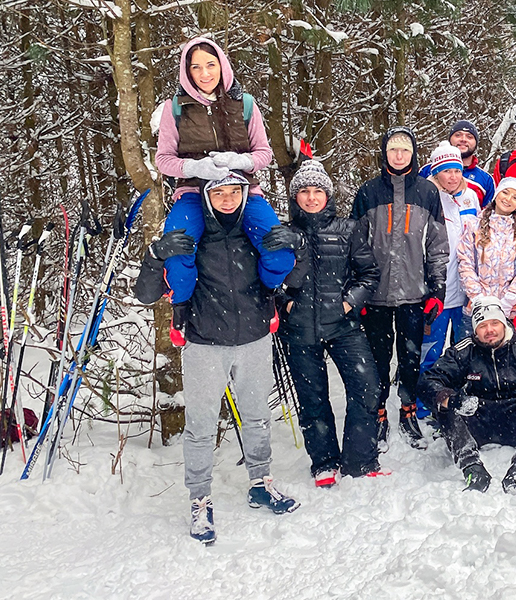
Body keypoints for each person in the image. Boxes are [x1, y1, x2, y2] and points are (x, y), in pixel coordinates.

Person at [135, 173, 302, 544]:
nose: (228, 200)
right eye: (219, 193)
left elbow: (294, 275)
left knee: (257, 417)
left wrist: (298, 243)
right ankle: (200, 500)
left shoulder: (255, 232)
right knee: (201, 426)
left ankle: (261, 483)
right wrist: (155, 254)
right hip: (206, 342)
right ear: (206, 196)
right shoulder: (191, 238)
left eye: (234, 192)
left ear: (245, 194)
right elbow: (146, 294)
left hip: (255, 339)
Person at [153, 37, 292, 320]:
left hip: (243, 191)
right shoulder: (175, 108)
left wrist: (241, 161)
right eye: (196, 67)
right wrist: (195, 168)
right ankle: (181, 309)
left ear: (222, 65)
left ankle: (269, 296)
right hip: (193, 193)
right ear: (187, 71)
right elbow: (163, 160)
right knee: (178, 252)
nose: (205, 74)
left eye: (210, 65)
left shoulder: (246, 104)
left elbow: (264, 153)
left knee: (279, 247)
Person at [276, 160, 387, 487]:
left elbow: (370, 274)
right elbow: (267, 281)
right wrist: (285, 303)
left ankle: (360, 459)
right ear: (295, 197)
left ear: (328, 195)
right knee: (312, 398)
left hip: (343, 326)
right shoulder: (284, 233)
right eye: (304, 192)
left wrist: (349, 301)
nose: (311, 198)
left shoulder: (348, 230)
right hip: (300, 329)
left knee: (368, 387)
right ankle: (324, 462)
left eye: (318, 191)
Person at [353, 126, 449, 451]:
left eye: (404, 150)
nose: (398, 155)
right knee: (378, 360)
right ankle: (378, 414)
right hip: (376, 296)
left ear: (413, 154)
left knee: (409, 359)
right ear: (384, 153)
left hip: (414, 293)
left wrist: (437, 290)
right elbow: (356, 246)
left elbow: (438, 244)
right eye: (393, 149)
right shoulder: (367, 192)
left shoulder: (427, 192)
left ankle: (408, 413)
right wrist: (358, 291)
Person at [418, 296, 516, 494]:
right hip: (478, 418)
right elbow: (428, 381)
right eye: (482, 325)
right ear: (475, 330)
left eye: (494, 323)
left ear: (504, 323)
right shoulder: (464, 351)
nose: (490, 330)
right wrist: (453, 399)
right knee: (444, 404)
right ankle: (471, 468)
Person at [421, 141, 481, 370]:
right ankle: (425, 402)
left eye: (457, 170)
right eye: (447, 171)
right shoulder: (426, 197)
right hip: (437, 291)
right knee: (430, 352)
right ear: (436, 172)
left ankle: (462, 398)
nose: (453, 177)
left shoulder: (471, 198)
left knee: (468, 350)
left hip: (466, 290)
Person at [457, 177, 516, 318]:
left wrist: (509, 299)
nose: (508, 199)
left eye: (515, 197)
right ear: (497, 195)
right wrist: (478, 299)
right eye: (505, 193)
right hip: (476, 308)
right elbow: (465, 263)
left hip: (510, 309)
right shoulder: (474, 226)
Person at [419, 120, 495, 205]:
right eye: (458, 135)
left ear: (476, 143)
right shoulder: (427, 170)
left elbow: (487, 214)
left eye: (469, 136)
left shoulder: (486, 179)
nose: (463, 139)